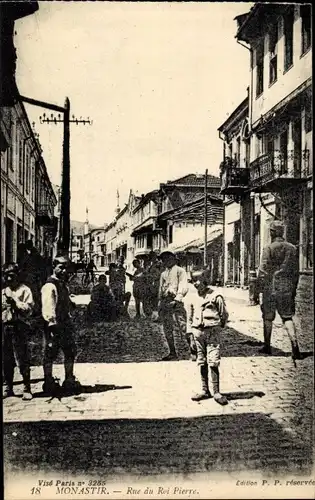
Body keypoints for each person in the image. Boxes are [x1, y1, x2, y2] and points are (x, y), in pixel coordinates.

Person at [257, 220, 302, 361]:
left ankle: (267, 346)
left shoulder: (268, 248)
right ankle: (295, 346)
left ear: (272, 232)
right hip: (286, 288)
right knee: (287, 317)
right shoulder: (292, 248)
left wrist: (258, 290)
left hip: (270, 288)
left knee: (268, 317)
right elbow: (296, 272)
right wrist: (293, 288)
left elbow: (263, 271)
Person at [41, 255, 81, 396]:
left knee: (70, 351)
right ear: (54, 266)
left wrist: (70, 304)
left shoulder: (62, 284)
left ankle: (69, 379)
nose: (64, 271)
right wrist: (51, 325)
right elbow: (48, 307)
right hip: (54, 325)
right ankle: (49, 381)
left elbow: (64, 301)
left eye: (66, 268)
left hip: (65, 324)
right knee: (50, 353)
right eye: (61, 267)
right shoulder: (50, 286)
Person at [187, 275, 229, 405]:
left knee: (213, 360)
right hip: (198, 332)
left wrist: (216, 326)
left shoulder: (216, 296)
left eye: (198, 280)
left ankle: (216, 391)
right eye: (193, 281)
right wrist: (190, 334)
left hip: (212, 331)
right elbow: (189, 317)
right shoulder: (192, 297)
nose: (196, 283)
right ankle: (205, 390)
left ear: (206, 279)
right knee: (201, 359)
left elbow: (224, 314)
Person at [2, 263, 34, 400]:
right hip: (5, 327)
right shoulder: (3, 292)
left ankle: (27, 387)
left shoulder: (24, 290)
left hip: (20, 327)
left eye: (12, 276)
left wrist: (15, 301)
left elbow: (29, 309)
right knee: (6, 358)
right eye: (6, 276)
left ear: (17, 275)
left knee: (22, 358)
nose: (9, 279)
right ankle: (8, 386)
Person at [158, 251, 190, 361]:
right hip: (166, 302)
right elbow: (161, 289)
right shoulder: (163, 274)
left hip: (176, 302)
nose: (166, 261)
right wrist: (160, 303)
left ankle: (194, 350)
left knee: (183, 326)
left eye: (168, 259)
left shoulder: (180, 271)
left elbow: (183, 285)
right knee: (167, 328)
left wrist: (177, 298)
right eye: (163, 260)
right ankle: (172, 352)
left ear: (173, 259)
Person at [18, 239, 46, 315]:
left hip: (33, 278)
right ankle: (36, 309)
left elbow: (40, 268)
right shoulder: (33, 255)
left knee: (34, 294)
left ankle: (36, 310)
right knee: (34, 294)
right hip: (32, 278)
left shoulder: (32, 256)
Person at [143, 251, 162, 320]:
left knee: (155, 300)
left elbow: (158, 275)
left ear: (155, 257)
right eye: (150, 257)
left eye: (152, 256)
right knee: (150, 299)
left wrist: (149, 276)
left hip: (156, 284)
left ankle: (156, 316)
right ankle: (150, 315)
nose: (151, 258)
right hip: (150, 285)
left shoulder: (158, 264)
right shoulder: (150, 265)